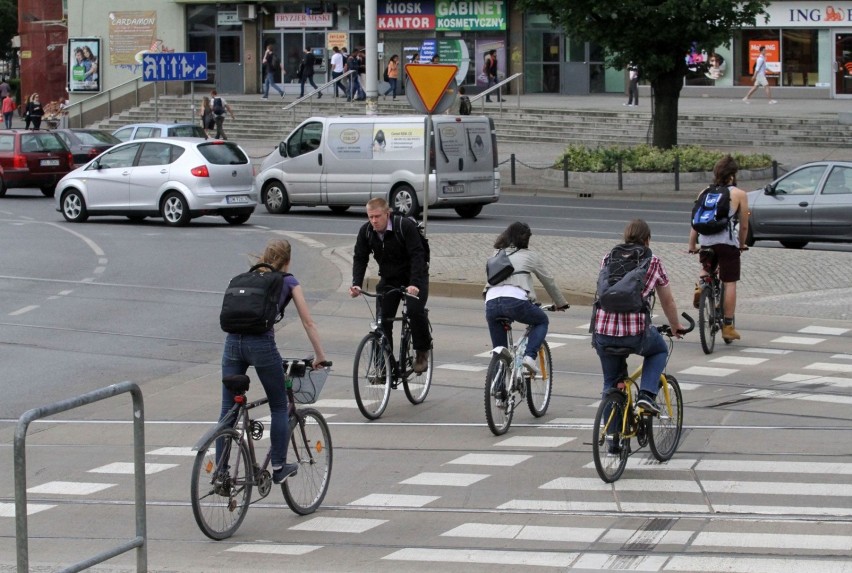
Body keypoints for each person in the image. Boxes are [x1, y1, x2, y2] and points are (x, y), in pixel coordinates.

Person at [220, 239, 328, 484]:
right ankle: (279, 467)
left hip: (231, 344)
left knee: (227, 411)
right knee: (279, 405)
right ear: (287, 261)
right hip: (261, 345)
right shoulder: (288, 281)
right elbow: (308, 322)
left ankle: (221, 472)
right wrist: (320, 356)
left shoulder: (242, 278)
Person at [592, 219, 686, 419]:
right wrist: (675, 325)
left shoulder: (608, 258)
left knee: (610, 383)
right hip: (636, 333)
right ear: (647, 240)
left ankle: (611, 441)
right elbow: (667, 300)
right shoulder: (653, 261)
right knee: (659, 349)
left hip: (602, 331)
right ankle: (646, 394)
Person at [350, 198, 431, 373]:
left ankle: (422, 352)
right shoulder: (366, 232)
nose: (374, 221)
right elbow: (360, 257)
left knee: (414, 310)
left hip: (415, 277)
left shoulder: (404, 226)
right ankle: (383, 366)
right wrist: (356, 283)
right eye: (370, 217)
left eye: (377, 216)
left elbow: (418, 255)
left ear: (387, 213)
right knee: (382, 320)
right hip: (389, 278)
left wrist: (415, 284)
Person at [484, 222, 569, 374]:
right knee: (541, 320)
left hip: (491, 303)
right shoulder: (530, 256)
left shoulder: (496, 254)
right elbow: (548, 281)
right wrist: (561, 303)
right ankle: (529, 357)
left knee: (499, 351)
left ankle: (498, 387)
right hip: (514, 302)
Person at [688, 155, 750, 342]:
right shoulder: (739, 194)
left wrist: (692, 244)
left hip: (706, 241)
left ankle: (701, 285)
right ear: (733, 175)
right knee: (729, 282)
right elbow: (745, 225)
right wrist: (741, 244)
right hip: (726, 243)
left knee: (707, 267)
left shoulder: (704, 192)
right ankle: (728, 326)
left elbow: (695, 221)